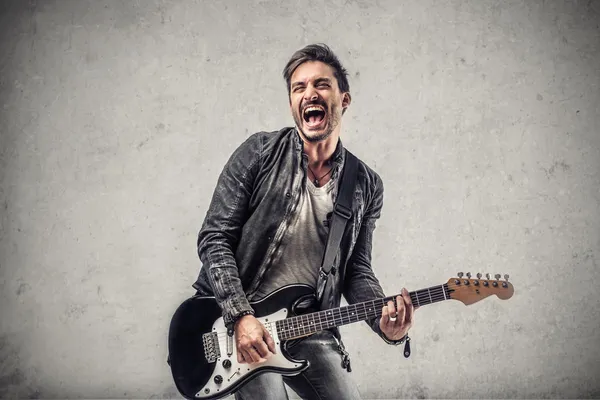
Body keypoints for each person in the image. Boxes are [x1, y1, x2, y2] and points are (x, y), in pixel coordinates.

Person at [192, 43, 416, 400]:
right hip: (242, 322)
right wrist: (239, 315)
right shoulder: (260, 153)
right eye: (299, 88)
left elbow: (356, 270)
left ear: (344, 99)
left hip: (307, 324)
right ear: (293, 103)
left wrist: (385, 324)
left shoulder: (365, 184)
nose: (309, 93)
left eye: (321, 85)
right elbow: (214, 238)